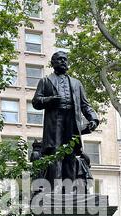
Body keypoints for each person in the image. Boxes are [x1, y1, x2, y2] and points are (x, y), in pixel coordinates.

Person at [32, 51, 99, 188]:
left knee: (70, 153)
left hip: (72, 121)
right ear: (52, 63)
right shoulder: (45, 81)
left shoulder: (76, 83)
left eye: (65, 59)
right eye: (59, 59)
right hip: (55, 121)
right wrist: (50, 100)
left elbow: (85, 105)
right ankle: (55, 189)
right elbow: (36, 102)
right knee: (55, 154)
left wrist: (93, 119)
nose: (63, 61)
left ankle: (69, 190)